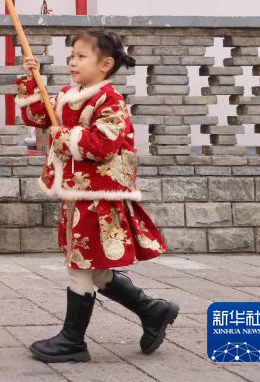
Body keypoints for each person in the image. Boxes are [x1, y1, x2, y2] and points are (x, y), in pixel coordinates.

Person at [18, 29, 177, 363]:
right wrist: (32, 81)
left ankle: (72, 340)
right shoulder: (67, 95)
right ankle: (152, 310)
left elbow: (103, 145)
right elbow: (38, 117)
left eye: (81, 56)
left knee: (80, 262)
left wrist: (64, 136)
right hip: (77, 193)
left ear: (105, 64)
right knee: (96, 268)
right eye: (72, 56)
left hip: (98, 197)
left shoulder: (111, 101)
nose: (73, 62)